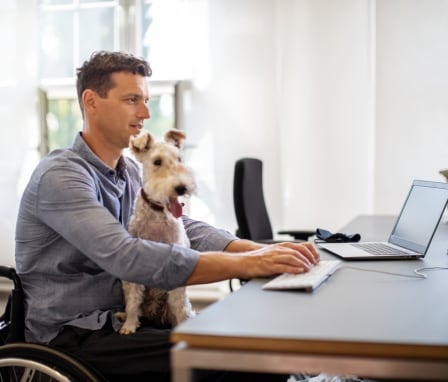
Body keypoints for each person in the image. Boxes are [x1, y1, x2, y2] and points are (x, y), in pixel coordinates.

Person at [15, 50, 320, 382]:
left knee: (254, 338)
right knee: (249, 358)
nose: (145, 112)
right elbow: (126, 256)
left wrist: (254, 250)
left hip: (129, 320)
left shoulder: (129, 171)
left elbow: (179, 224)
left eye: (145, 100)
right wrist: (247, 265)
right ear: (91, 101)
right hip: (75, 334)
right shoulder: (61, 176)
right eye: (132, 99)